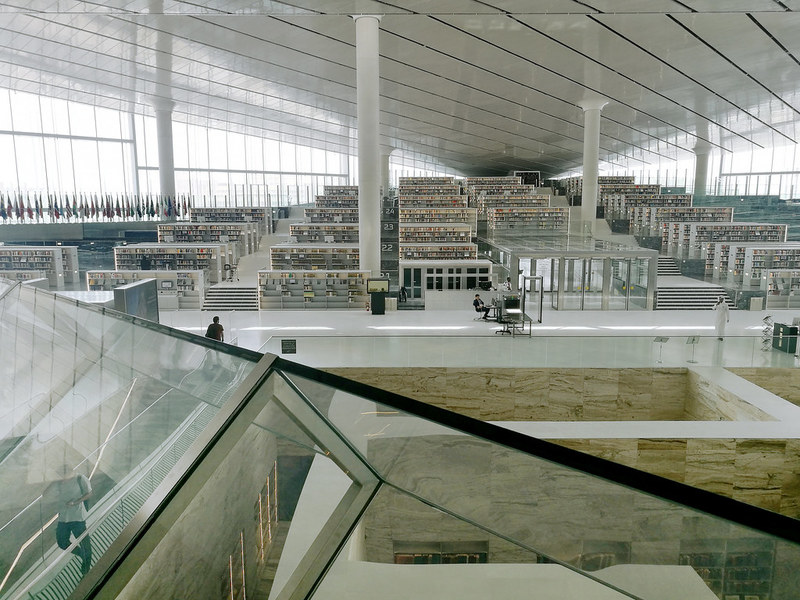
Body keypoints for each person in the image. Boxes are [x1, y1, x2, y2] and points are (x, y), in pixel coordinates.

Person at [45, 466, 93, 575]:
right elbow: (45, 495)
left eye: (63, 474)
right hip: (63, 518)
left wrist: (76, 502)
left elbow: (89, 493)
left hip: (77, 518)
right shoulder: (58, 483)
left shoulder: (80, 479)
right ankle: (82, 554)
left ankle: (86, 570)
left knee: (85, 544)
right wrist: (53, 482)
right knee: (62, 542)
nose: (62, 477)